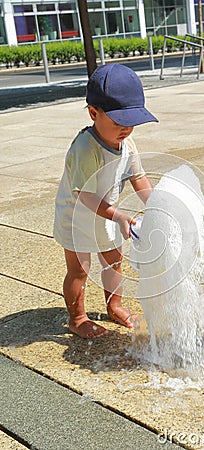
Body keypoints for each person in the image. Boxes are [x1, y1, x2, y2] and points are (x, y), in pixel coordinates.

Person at [53, 64, 158, 339]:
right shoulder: (86, 148)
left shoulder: (127, 143)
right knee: (80, 269)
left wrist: (159, 206)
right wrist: (120, 216)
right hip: (77, 216)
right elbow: (85, 195)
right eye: (118, 123)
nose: (126, 130)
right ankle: (77, 318)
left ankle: (114, 305)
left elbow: (139, 178)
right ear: (93, 113)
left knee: (113, 262)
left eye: (131, 123)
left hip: (108, 214)